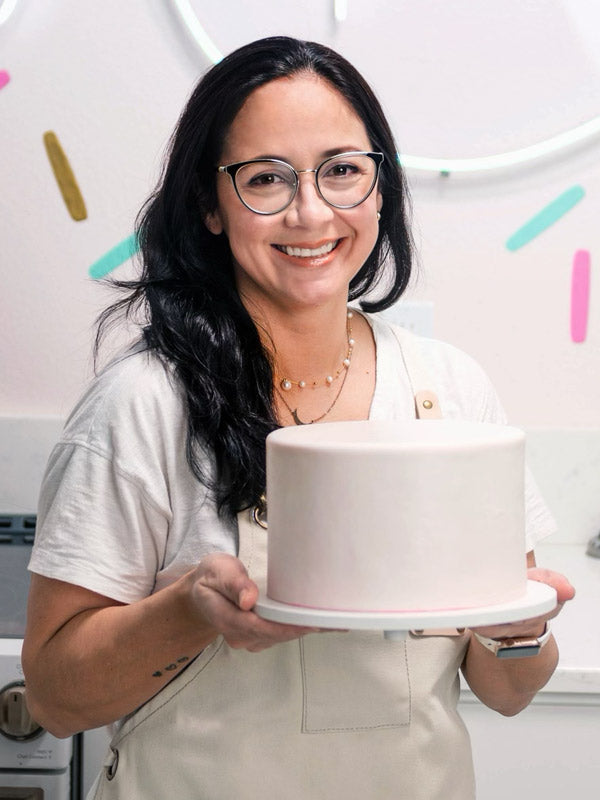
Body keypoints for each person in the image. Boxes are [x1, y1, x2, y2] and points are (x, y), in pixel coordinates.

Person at [23, 36, 574, 799]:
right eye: (265, 179)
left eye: (342, 171)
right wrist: (189, 612)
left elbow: (509, 690)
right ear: (211, 207)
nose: (311, 211)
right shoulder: (141, 404)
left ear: (381, 188)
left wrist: (523, 630)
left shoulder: (450, 392)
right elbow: (53, 698)